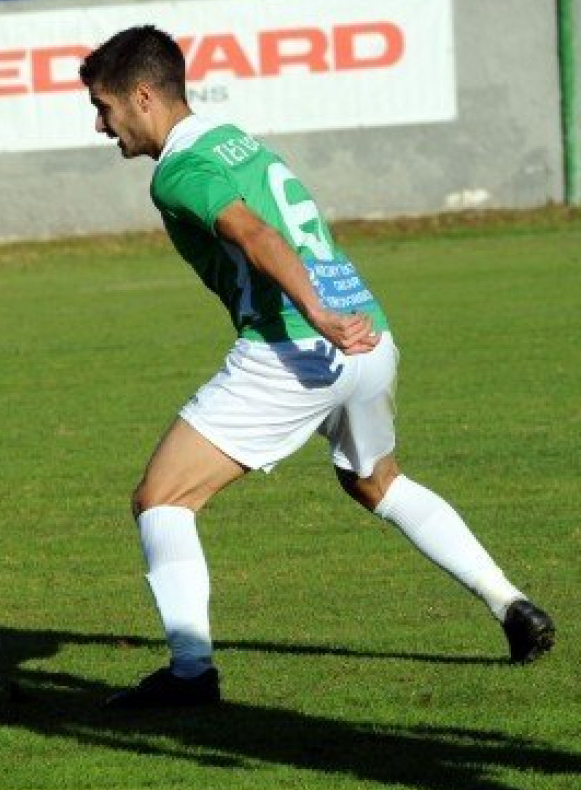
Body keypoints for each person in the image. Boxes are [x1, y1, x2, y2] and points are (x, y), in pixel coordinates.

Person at [78, 26, 555, 708]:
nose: (100, 124)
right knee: (376, 483)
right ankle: (510, 604)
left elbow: (255, 233)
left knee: (162, 500)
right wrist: (335, 314)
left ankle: (190, 675)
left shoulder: (179, 171)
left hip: (296, 346)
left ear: (143, 96)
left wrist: (316, 314)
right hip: (369, 336)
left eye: (103, 105)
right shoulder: (231, 139)